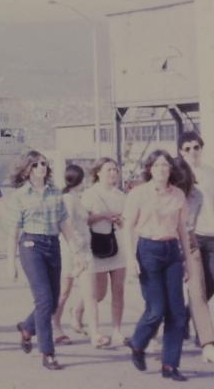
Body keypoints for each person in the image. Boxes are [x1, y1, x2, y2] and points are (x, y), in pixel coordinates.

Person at [8, 150, 89, 371]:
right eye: (35, 165)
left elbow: (66, 227)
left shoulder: (55, 194)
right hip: (31, 246)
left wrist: (77, 254)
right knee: (43, 300)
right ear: (27, 170)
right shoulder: (20, 196)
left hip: (52, 246)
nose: (41, 167)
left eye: (44, 164)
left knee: (52, 302)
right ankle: (48, 352)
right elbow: (14, 231)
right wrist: (10, 262)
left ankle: (27, 327)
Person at [124, 149, 191, 380]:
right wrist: (131, 259)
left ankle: (170, 365)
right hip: (148, 249)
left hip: (171, 250)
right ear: (149, 169)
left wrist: (188, 263)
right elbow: (128, 228)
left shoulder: (178, 195)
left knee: (177, 312)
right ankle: (138, 344)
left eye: (165, 165)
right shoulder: (139, 194)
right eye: (157, 166)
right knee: (156, 309)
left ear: (170, 169)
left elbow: (182, 229)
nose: (162, 169)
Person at [50, 164, 102, 347]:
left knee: (90, 293)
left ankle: (95, 334)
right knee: (64, 291)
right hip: (71, 250)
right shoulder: (68, 200)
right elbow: (68, 226)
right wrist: (76, 249)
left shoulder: (75, 198)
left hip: (85, 250)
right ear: (80, 180)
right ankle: (55, 325)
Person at [82, 157, 128, 347]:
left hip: (118, 246)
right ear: (98, 173)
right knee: (96, 293)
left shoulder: (122, 195)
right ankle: (95, 332)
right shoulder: (90, 194)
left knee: (118, 290)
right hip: (96, 246)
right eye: (108, 170)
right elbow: (83, 220)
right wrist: (104, 216)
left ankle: (117, 330)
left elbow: (128, 220)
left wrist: (120, 220)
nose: (113, 173)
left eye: (115, 170)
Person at [177, 131, 214, 363]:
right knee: (197, 289)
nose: (192, 152)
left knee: (208, 285)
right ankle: (207, 342)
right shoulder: (179, 175)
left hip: (212, 236)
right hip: (192, 237)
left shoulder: (211, 172)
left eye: (196, 147)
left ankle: (184, 317)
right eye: (187, 148)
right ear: (181, 152)